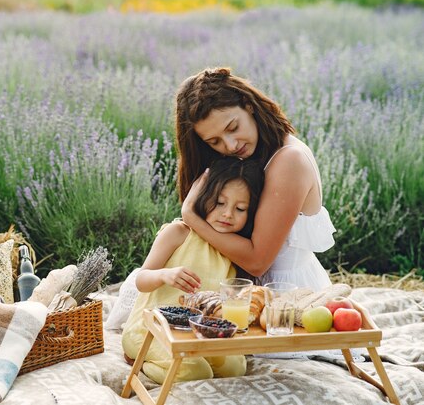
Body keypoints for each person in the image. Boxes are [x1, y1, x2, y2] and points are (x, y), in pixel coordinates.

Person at [176, 67, 335, 291]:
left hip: (287, 294)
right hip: (248, 291)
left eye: (233, 127)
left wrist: (191, 216)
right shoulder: (251, 157)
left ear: (248, 105)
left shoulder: (289, 160)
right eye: (214, 142)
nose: (230, 145)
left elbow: (257, 261)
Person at [122, 158, 263, 384]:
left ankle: (187, 361)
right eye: (219, 203)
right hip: (152, 330)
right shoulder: (179, 232)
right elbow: (141, 280)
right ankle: (144, 363)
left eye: (240, 209)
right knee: (196, 371)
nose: (227, 214)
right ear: (204, 197)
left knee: (234, 367)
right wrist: (164, 275)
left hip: (198, 334)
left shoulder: (234, 250)